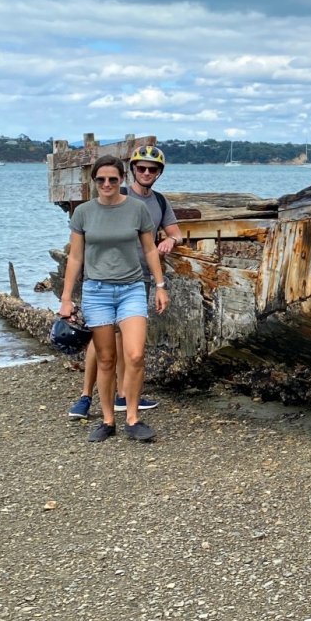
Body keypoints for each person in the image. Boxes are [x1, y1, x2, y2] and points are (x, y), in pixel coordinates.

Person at [67, 145, 182, 420]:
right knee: (102, 343)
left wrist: (169, 239)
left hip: (138, 278)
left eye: (152, 169)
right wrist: (67, 294)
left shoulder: (159, 202)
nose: (146, 173)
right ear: (131, 171)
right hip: (105, 280)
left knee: (127, 345)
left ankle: (123, 396)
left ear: (159, 173)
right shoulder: (117, 195)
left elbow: (173, 233)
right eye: (140, 168)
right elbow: (81, 245)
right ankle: (85, 395)